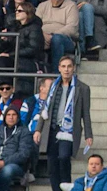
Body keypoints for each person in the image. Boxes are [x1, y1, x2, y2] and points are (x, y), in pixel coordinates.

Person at [38, 56, 92, 191]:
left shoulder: (83, 88)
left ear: (73, 68)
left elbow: (85, 113)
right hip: (52, 129)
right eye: (63, 66)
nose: (66, 70)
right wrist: (38, 129)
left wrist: (88, 134)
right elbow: (45, 107)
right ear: (59, 68)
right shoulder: (54, 86)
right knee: (52, 164)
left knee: (63, 158)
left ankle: (66, 187)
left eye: (69, 66)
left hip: (68, 130)